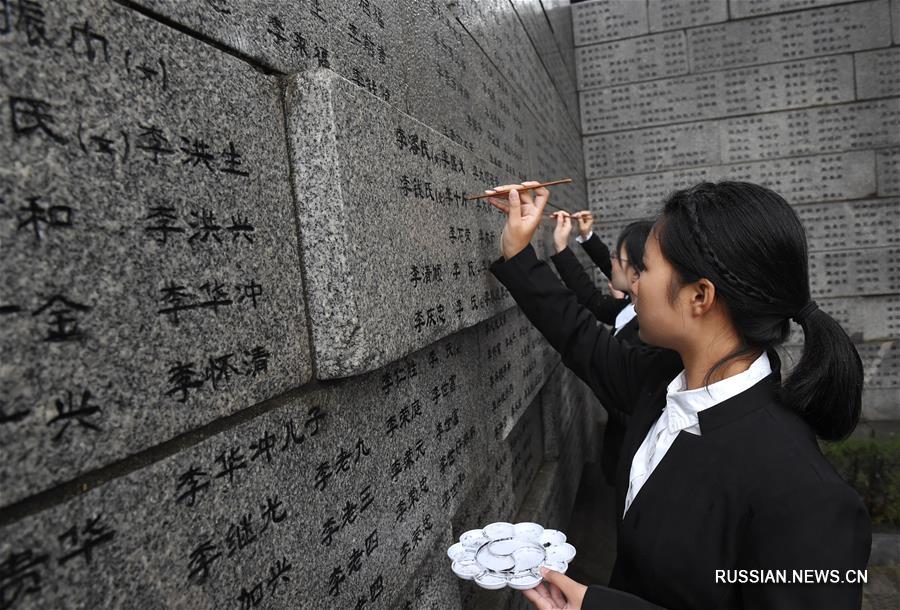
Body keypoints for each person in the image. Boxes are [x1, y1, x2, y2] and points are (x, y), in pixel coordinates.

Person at [485, 180, 871, 609]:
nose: (632, 285)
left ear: (699, 296)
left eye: (644, 270)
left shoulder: (804, 496)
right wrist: (519, 250)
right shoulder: (667, 380)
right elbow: (582, 340)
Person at [551, 213, 659, 487]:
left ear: (637, 272)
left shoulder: (648, 333)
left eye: (615, 255)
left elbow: (591, 300)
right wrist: (583, 237)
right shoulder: (629, 308)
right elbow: (597, 293)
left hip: (632, 451)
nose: (609, 259)